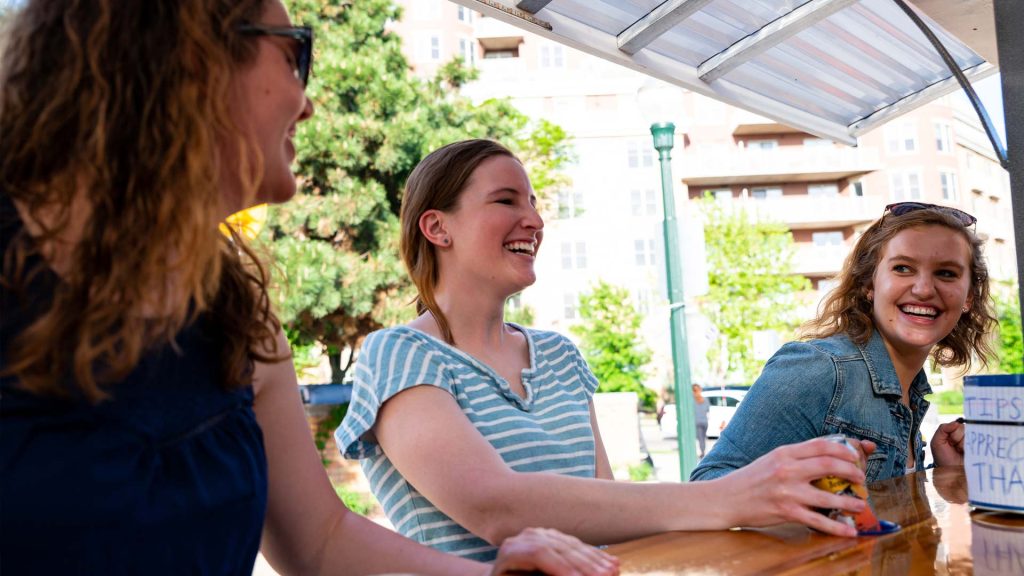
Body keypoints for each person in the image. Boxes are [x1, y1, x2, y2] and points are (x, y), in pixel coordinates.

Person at [0, 2, 618, 575]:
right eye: (294, 53)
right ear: (188, 55)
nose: (308, 104)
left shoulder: (235, 307)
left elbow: (319, 541)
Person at [336, 138, 874, 562]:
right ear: (437, 227)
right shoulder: (400, 353)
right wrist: (734, 495)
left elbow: (609, 515)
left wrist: (774, 503)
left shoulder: (560, 356)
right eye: (505, 200)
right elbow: (496, 509)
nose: (535, 220)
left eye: (534, 202)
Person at [691, 202, 996, 484]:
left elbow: (878, 516)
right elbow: (709, 486)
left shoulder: (912, 389)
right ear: (869, 284)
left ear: (968, 297)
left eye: (946, 273)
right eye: (902, 268)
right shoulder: (819, 368)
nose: (924, 288)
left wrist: (946, 472)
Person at [692, 384, 709, 458]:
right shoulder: (705, 400)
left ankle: (702, 452)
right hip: (704, 421)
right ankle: (703, 451)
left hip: (698, 422)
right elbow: (707, 410)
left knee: (700, 438)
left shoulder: (692, 401)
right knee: (702, 438)